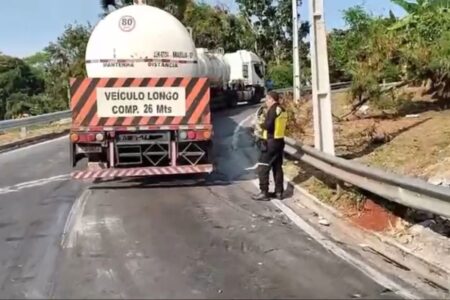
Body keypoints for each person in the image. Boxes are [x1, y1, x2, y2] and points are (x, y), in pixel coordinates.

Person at [252, 91, 287, 201]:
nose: (266, 102)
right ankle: (278, 192)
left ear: (271, 99)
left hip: (270, 142)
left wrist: (260, 124)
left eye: (267, 99)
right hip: (279, 141)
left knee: (262, 167)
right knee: (277, 167)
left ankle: (264, 192)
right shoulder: (282, 109)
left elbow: (268, 125)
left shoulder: (272, 110)